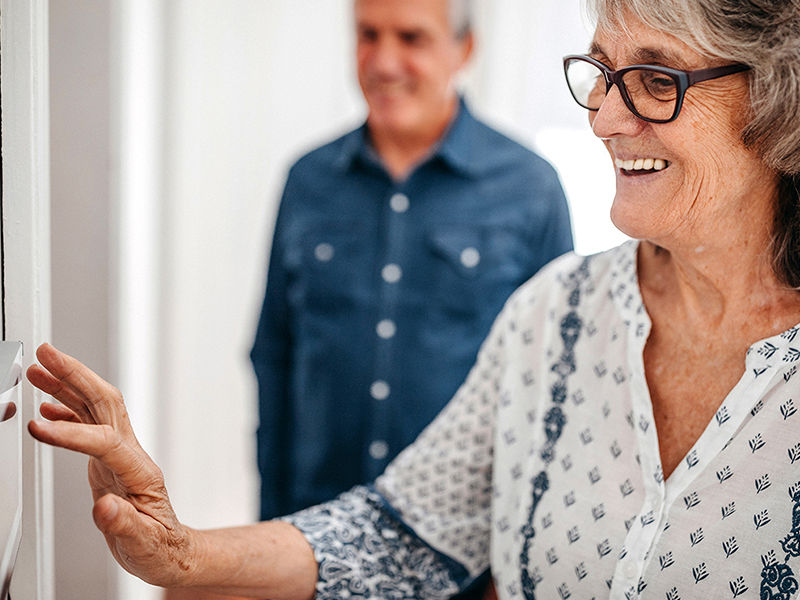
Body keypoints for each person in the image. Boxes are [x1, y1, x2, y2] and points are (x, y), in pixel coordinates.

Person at [27, 0, 800, 597]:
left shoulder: (525, 187)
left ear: (777, 100)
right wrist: (185, 552)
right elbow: (406, 532)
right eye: (600, 72)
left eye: (657, 79)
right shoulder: (555, 315)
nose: (600, 116)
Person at [251, 0, 573, 527]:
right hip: (317, 526)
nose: (383, 61)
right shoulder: (307, 181)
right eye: (368, 34)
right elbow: (274, 354)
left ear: (464, 49)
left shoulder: (530, 188)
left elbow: (555, 379)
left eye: (412, 38)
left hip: (464, 541)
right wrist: (270, 523)